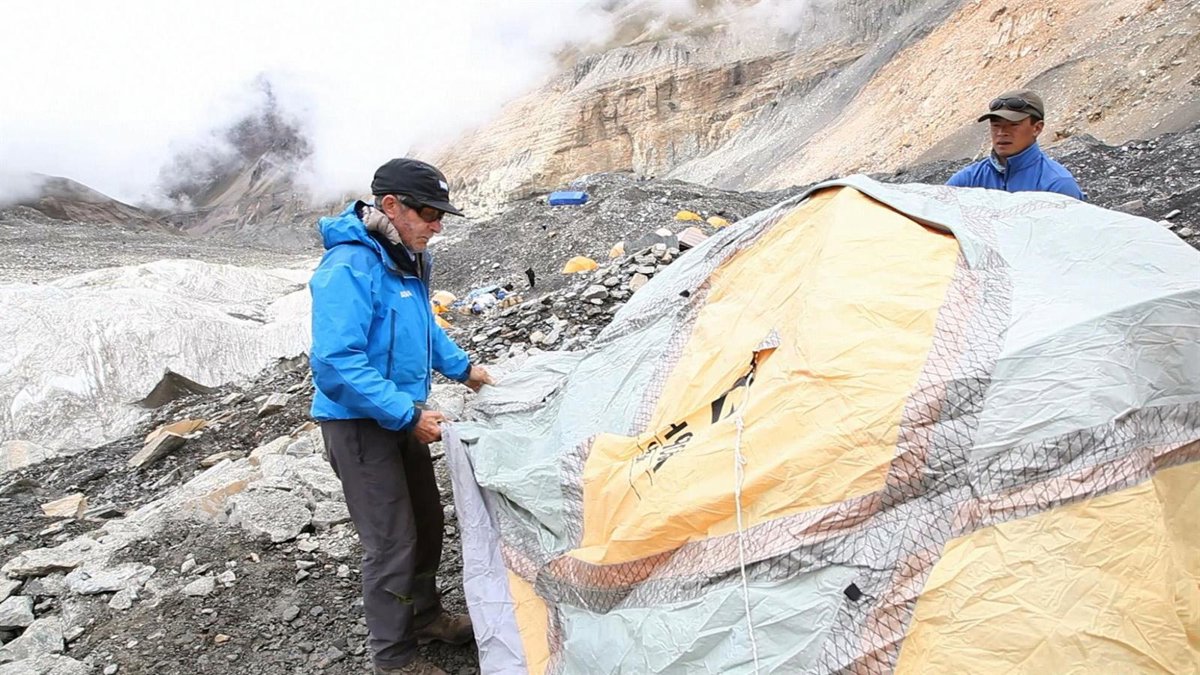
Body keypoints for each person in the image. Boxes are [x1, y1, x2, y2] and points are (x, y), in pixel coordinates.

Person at [308, 158, 493, 675]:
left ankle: (425, 618)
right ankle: (393, 659)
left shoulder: (406, 258)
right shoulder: (349, 265)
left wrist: (466, 370)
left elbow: (423, 327)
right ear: (391, 206)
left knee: (427, 525)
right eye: (429, 213)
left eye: (441, 215)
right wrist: (406, 415)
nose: (437, 226)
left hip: (402, 415)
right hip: (359, 424)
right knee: (391, 541)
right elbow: (335, 362)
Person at [946, 89, 1084, 200]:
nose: (1001, 133)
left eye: (1013, 125)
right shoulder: (967, 180)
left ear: (1037, 128)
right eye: (996, 125)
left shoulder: (1057, 185)